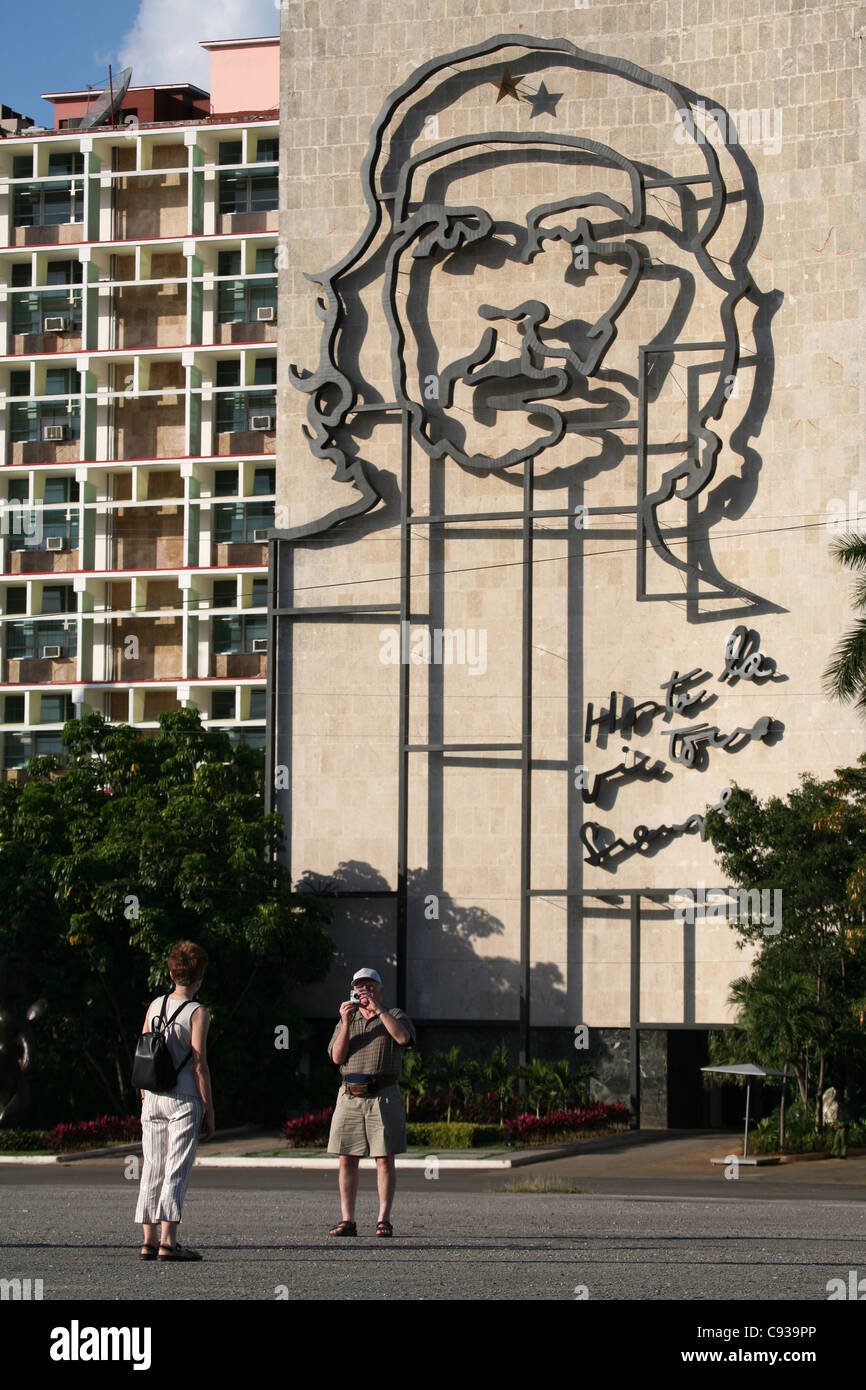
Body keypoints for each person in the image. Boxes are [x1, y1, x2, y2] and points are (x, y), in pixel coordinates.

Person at [135, 941, 214, 1262]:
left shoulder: (154, 1006)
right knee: (175, 1169)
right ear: (200, 977)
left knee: (152, 1166)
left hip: (151, 1096)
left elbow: (142, 1047)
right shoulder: (198, 1012)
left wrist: (143, 1094)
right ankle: (170, 1242)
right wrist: (208, 1108)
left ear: (171, 973)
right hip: (183, 1098)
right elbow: (199, 1063)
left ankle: (148, 1241)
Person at [326, 967, 415, 1238]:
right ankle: (347, 1220)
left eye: (370, 986)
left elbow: (403, 1038)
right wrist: (344, 1022)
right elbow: (337, 1058)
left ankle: (383, 1220)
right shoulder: (346, 1020)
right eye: (360, 987)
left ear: (379, 988)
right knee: (346, 1159)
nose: (365, 991)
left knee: (384, 1158)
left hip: (383, 1094)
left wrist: (378, 1011)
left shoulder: (395, 1015)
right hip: (350, 1095)